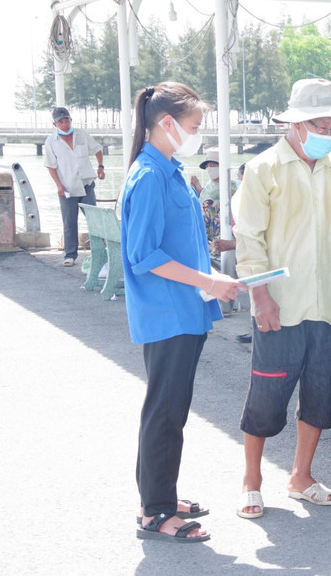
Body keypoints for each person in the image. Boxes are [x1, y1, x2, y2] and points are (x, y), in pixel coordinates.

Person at [234, 78, 331, 516]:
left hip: (330, 302)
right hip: (282, 302)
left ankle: (301, 475)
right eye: (321, 123)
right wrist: (260, 296)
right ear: (295, 124)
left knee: (320, 392)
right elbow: (249, 238)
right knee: (267, 394)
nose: (329, 132)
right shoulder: (263, 169)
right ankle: (251, 480)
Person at [121, 82, 246, 543]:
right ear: (167, 124)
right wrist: (209, 281)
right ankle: (155, 512)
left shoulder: (169, 170)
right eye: (194, 127)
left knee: (168, 409)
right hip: (167, 312)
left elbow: (184, 246)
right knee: (165, 412)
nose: (198, 135)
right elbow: (143, 254)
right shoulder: (150, 176)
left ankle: (159, 495)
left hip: (181, 309)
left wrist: (212, 276)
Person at [43, 106, 105, 266]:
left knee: (94, 219)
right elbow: (51, 165)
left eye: (67, 120)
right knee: (69, 221)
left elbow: (97, 149)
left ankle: (99, 252)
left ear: (71, 120)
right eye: (61, 122)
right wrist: (59, 186)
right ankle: (69, 255)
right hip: (67, 187)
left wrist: (100, 166)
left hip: (87, 184)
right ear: (54, 124)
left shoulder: (82, 134)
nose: (65, 124)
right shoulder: (51, 141)